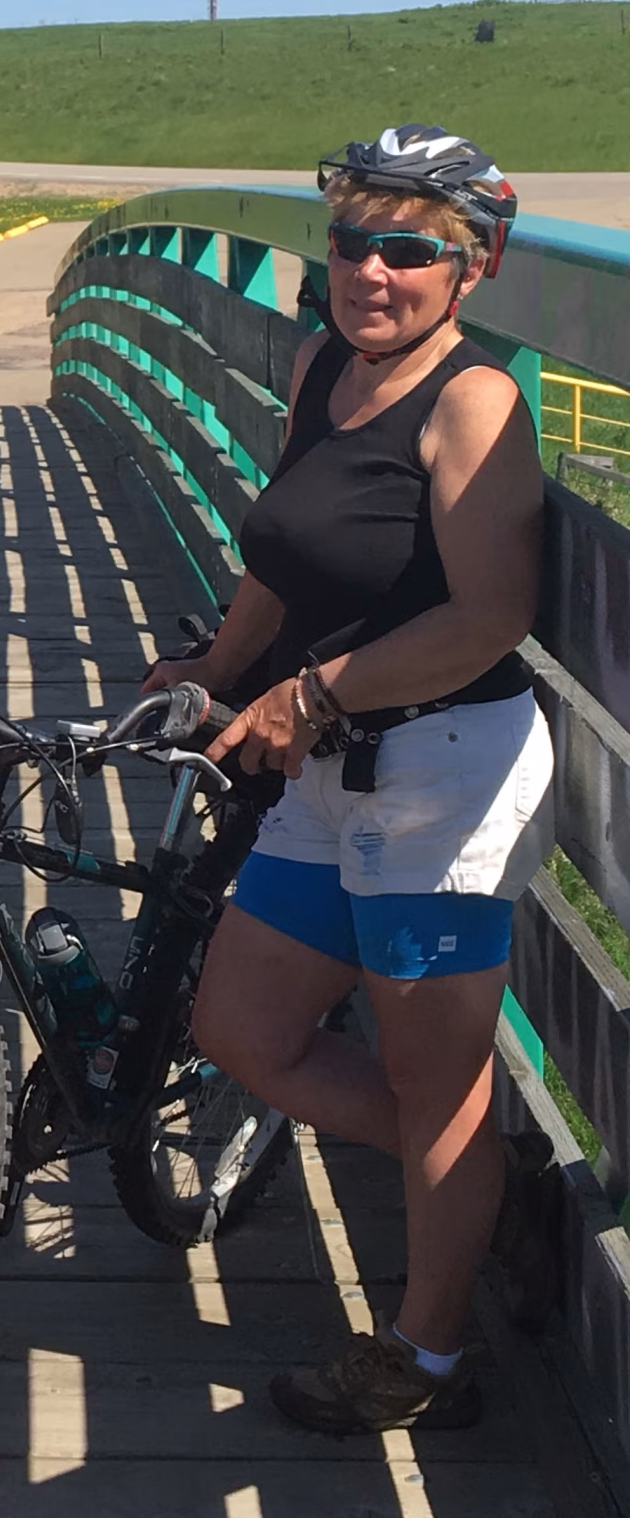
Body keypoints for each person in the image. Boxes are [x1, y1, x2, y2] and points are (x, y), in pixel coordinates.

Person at [148, 124, 551, 1434]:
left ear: (472, 267)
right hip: (329, 756)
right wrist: (221, 661)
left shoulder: (474, 404)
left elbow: (487, 615)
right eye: (350, 241)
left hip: (441, 775)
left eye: (408, 250)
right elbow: (282, 547)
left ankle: (424, 1356)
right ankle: (482, 1185)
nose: (370, 272)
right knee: (241, 1031)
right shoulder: (330, 365)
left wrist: (304, 695)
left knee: (439, 1083)